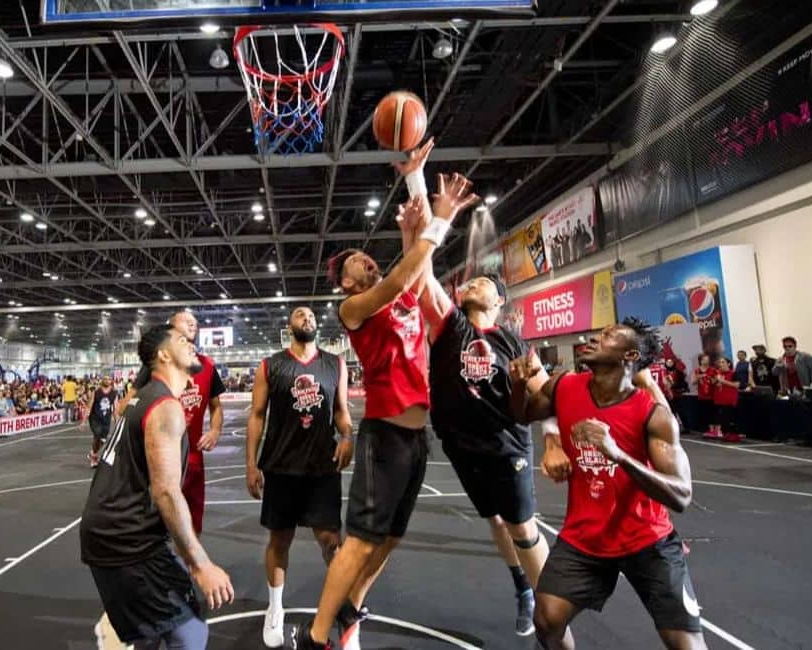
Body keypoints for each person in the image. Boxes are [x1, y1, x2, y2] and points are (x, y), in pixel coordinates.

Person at [292, 147, 481, 650]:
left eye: (366, 255)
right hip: (385, 436)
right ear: (348, 282)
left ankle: (351, 606)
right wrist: (438, 219)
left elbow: (416, 269)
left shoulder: (398, 298)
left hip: (417, 438)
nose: (366, 260)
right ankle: (315, 637)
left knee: (391, 537)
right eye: (357, 262)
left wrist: (417, 190)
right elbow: (403, 274)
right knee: (359, 541)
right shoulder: (353, 308)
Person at [510, 318, 705, 650]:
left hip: (647, 539)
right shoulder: (565, 386)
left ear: (630, 356)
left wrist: (619, 456)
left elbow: (682, 494)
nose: (594, 338)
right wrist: (517, 385)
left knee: (685, 644)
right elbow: (524, 414)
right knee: (546, 620)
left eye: (608, 336)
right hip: (586, 538)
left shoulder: (652, 413)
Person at [411, 250, 554, 635]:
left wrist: (553, 442)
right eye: (469, 282)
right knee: (495, 519)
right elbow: (422, 277)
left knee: (522, 528)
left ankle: (550, 613)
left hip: (506, 445)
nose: (472, 284)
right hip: (461, 447)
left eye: (484, 283)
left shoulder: (516, 344)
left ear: (500, 300)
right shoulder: (448, 326)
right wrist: (423, 231)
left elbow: (545, 398)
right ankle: (523, 587)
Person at [79, 324, 234, 650]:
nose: (191, 343)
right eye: (182, 340)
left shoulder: (141, 401)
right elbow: (165, 491)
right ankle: (113, 639)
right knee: (190, 632)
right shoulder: (165, 407)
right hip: (129, 541)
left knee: (150, 633)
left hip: (109, 535)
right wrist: (200, 564)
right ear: (163, 354)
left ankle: (115, 636)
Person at [247, 306, 354, 647]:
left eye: (310, 316)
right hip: (281, 467)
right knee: (280, 542)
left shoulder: (334, 364)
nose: (306, 318)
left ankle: (342, 616)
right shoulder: (270, 365)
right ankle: (275, 609)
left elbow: (341, 412)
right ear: (288, 326)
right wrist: (251, 464)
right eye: (299, 315)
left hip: (322, 468)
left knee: (331, 544)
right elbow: (256, 416)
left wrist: (348, 436)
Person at [120, 310, 226, 535]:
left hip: (193, 459)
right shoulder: (156, 366)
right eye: (186, 321)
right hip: (159, 458)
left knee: (192, 524)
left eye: (195, 323)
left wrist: (215, 429)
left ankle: (191, 568)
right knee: (156, 524)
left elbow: (216, 407)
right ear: (170, 329)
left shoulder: (206, 365)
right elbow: (126, 407)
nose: (193, 325)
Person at [87, 378, 118, 467]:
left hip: (106, 419)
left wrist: (117, 422)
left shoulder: (114, 394)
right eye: (105, 378)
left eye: (109, 379)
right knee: (97, 434)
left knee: (103, 440)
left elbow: (115, 409)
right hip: (95, 418)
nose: (107, 380)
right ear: (102, 381)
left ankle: (93, 453)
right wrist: (84, 420)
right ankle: (94, 459)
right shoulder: (96, 392)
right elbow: (89, 405)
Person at [710, 357, 742, 443]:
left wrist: (723, 381)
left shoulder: (734, 373)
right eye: (720, 362)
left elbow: (737, 385)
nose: (721, 364)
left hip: (729, 400)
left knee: (729, 418)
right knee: (722, 419)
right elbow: (713, 383)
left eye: (723, 362)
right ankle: (725, 434)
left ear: (728, 364)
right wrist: (715, 379)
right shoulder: (718, 374)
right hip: (719, 400)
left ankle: (732, 435)